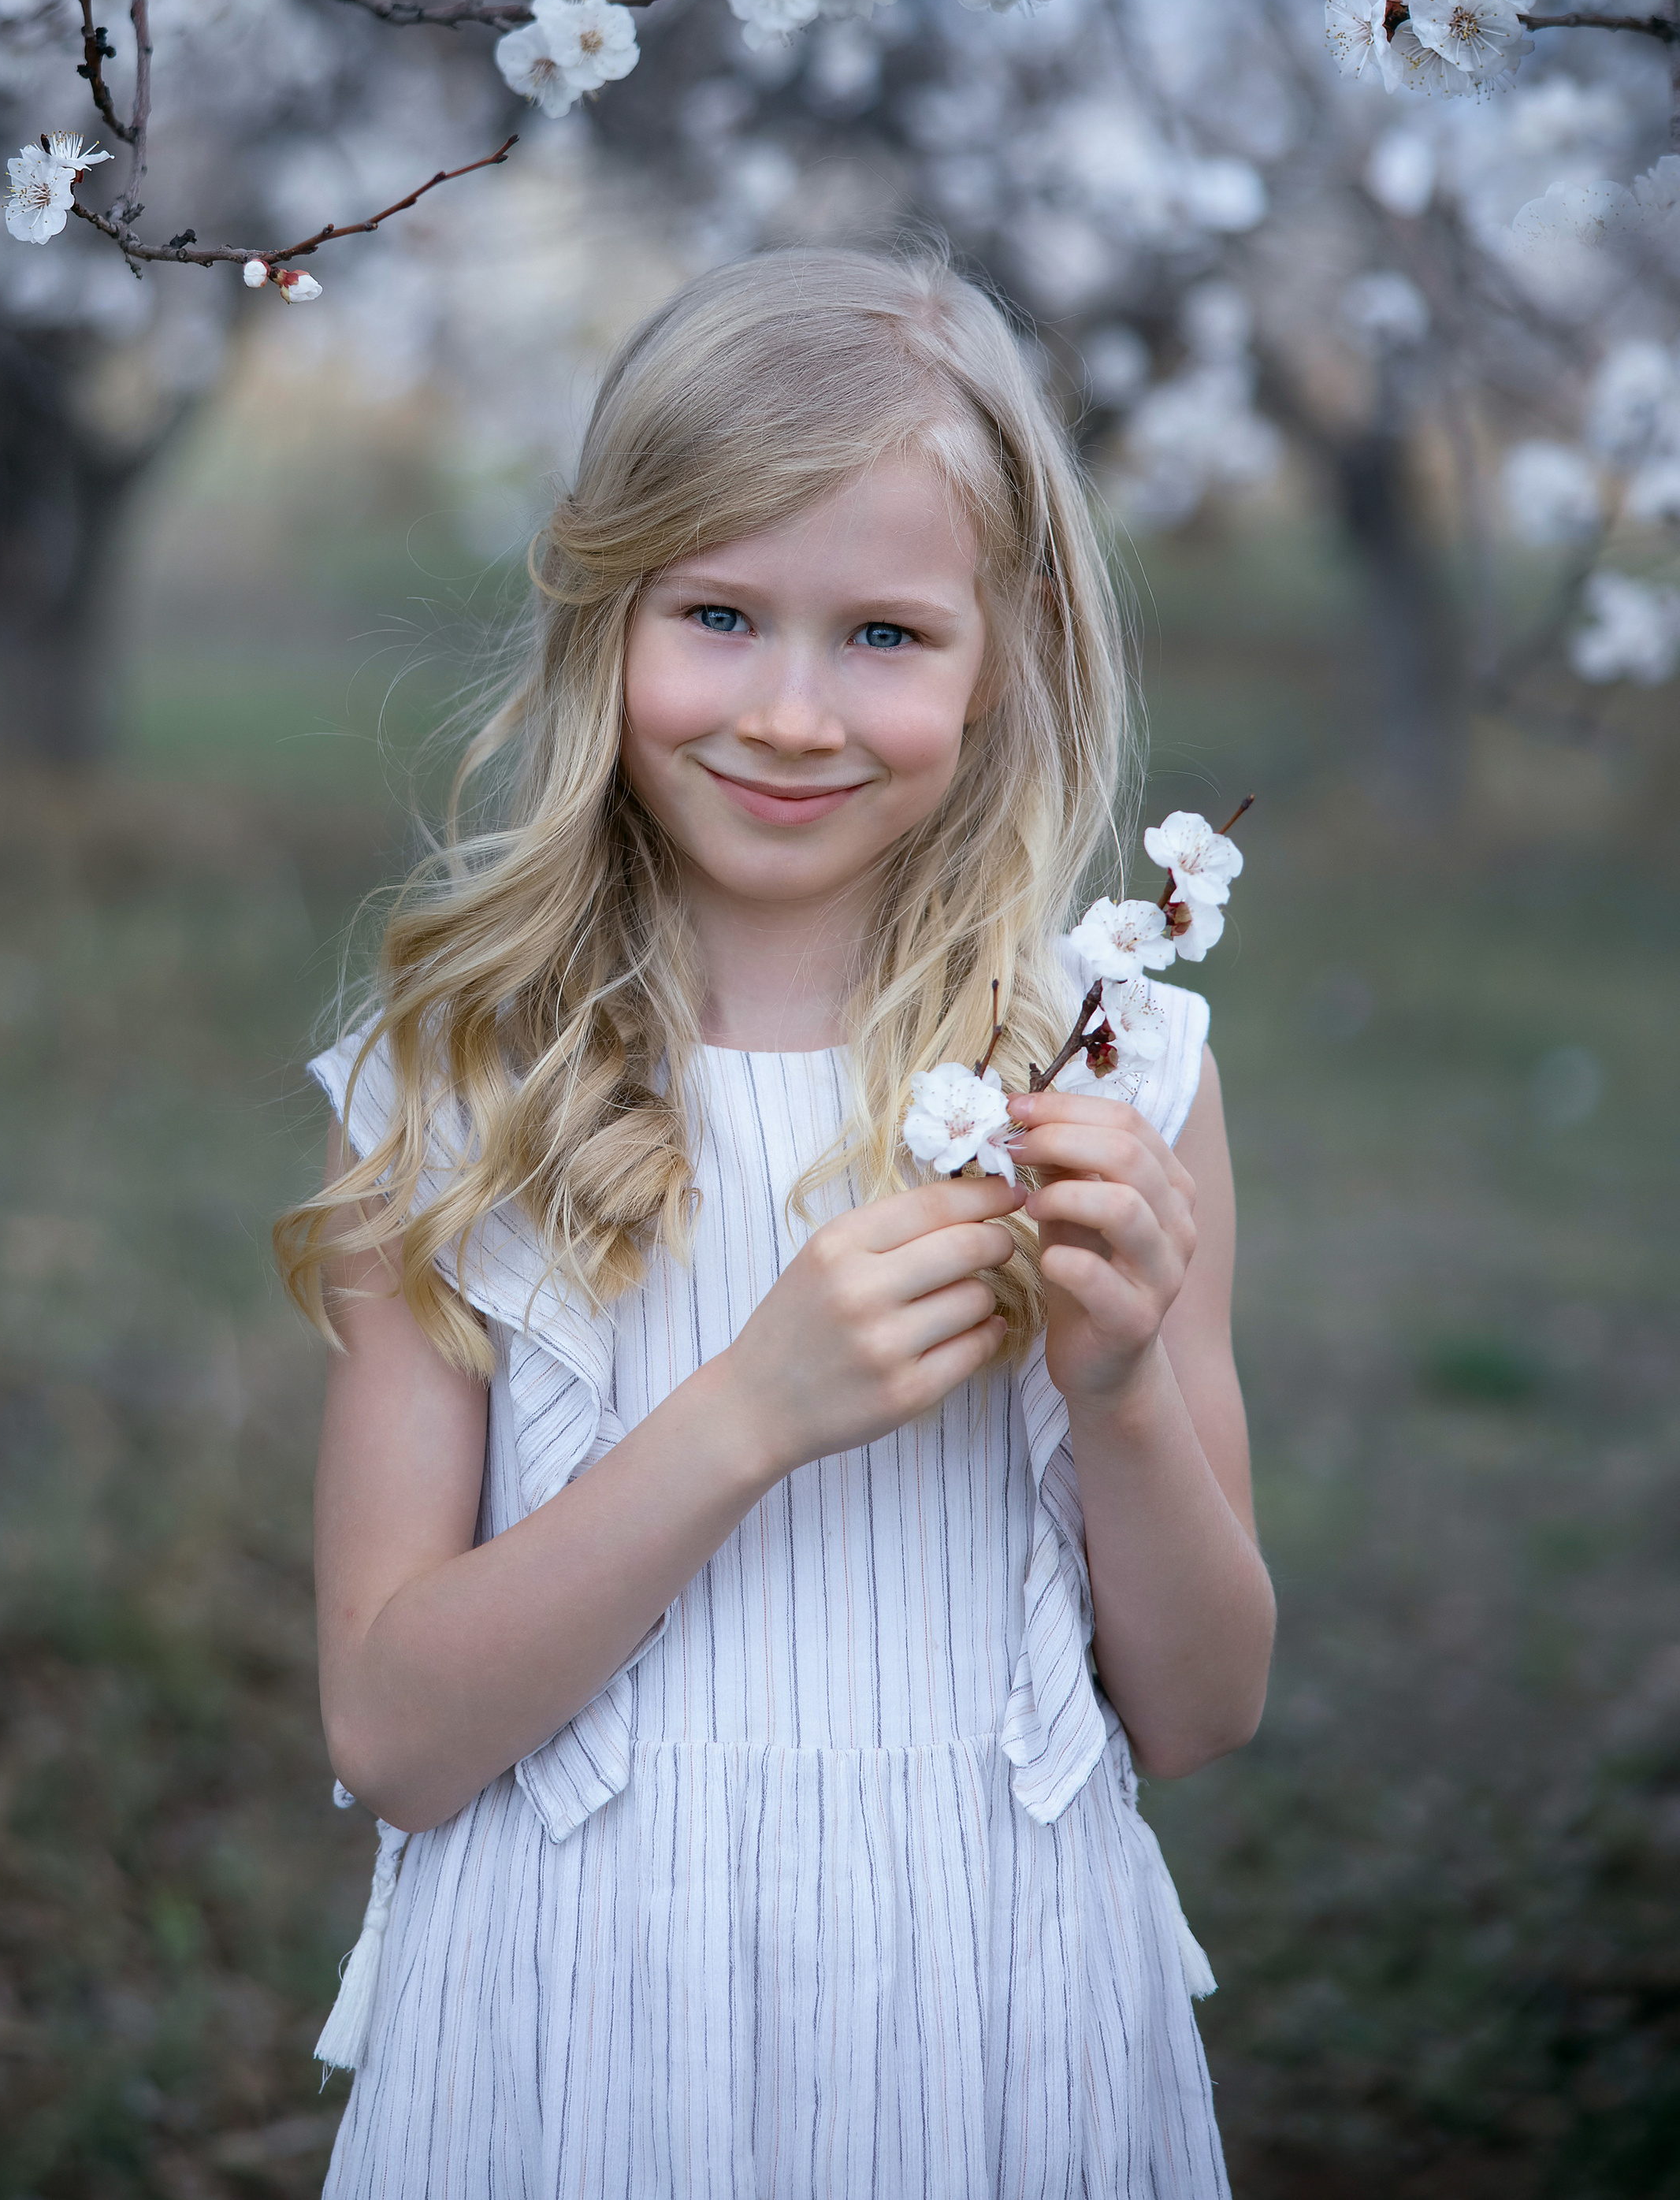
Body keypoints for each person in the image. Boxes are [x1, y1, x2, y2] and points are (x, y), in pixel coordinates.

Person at [277, 246, 1273, 2198]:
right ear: (604, 611)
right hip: (573, 2022)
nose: (794, 712)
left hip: (996, 2005)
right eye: (718, 614)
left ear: (1007, 650)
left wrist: (1127, 1380)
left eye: (886, 633)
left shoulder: (1110, 1070)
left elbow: (1201, 1703)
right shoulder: (461, 1078)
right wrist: (748, 1411)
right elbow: (395, 1731)